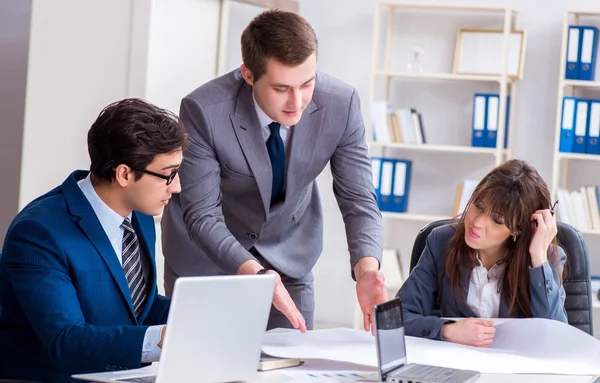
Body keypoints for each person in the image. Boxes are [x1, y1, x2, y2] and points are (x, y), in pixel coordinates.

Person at [160, 9, 386, 333]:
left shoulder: (342, 103)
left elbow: (359, 198)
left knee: (294, 369)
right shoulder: (204, 111)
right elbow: (202, 216)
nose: (298, 101)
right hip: (208, 262)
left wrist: (367, 269)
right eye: (282, 89)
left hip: (289, 256)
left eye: (307, 83)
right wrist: (259, 276)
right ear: (249, 75)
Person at [0, 98, 188, 382]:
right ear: (124, 174)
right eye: (168, 175)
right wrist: (160, 339)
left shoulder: (141, 216)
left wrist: (199, 312)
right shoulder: (39, 232)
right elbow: (66, 340)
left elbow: (135, 307)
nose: (177, 187)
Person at [398, 159, 567, 347]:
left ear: (518, 229)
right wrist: (448, 330)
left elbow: (556, 338)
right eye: (478, 205)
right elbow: (398, 317)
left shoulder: (546, 257)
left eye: (497, 220)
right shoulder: (441, 242)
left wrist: (538, 258)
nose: (477, 222)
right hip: (455, 368)